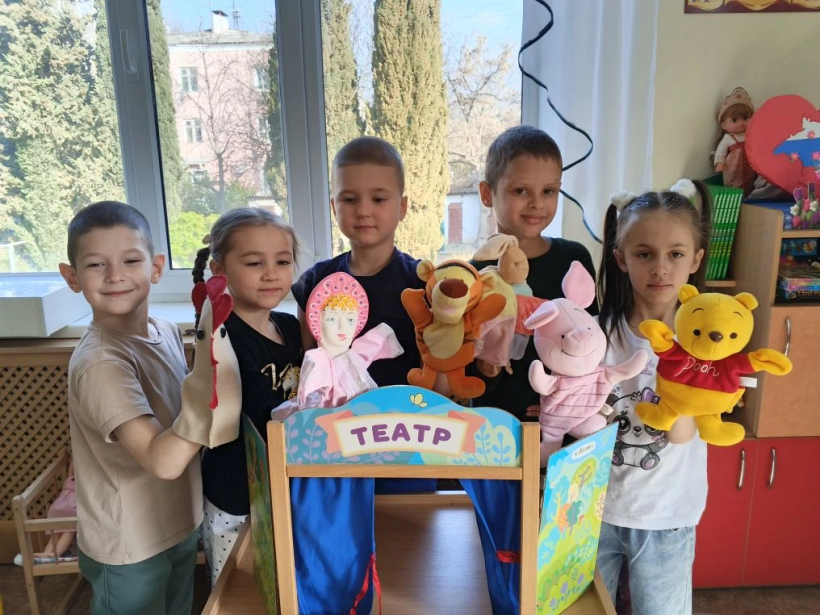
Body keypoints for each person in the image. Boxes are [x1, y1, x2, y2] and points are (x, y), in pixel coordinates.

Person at [58, 201, 203, 614]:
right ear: (72, 277)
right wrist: (215, 395)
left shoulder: (167, 331)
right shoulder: (101, 362)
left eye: (131, 260)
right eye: (96, 264)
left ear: (156, 268)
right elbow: (163, 460)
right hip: (130, 546)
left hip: (177, 521)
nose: (115, 275)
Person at [595, 179, 713, 615]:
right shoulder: (595, 335)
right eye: (644, 254)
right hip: (593, 511)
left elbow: (685, 433)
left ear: (696, 258)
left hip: (667, 515)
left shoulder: (708, 342)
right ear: (621, 258)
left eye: (675, 254)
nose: (660, 268)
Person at [291, 136, 435, 494]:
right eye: (350, 199)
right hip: (333, 446)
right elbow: (308, 364)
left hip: (409, 440)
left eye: (379, 199)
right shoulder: (314, 282)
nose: (363, 210)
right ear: (333, 206)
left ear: (402, 207)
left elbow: (436, 365)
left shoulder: (423, 284)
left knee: (408, 524)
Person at [191, 208, 303, 587]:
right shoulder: (223, 336)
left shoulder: (289, 326)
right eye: (255, 263)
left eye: (282, 261)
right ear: (218, 270)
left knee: (281, 582)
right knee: (235, 587)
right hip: (236, 492)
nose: (271, 273)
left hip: (282, 484)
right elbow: (259, 407)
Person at [470, 125, 597, 422]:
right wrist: (486, 366)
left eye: (549, 191)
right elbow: (464, 369)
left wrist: (570, 402)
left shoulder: (574, 260)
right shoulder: (473, 275)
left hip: (564, 426)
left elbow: (592, 344)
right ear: (487, 194)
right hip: (494, 426)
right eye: (521, 191)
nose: (537, 203)